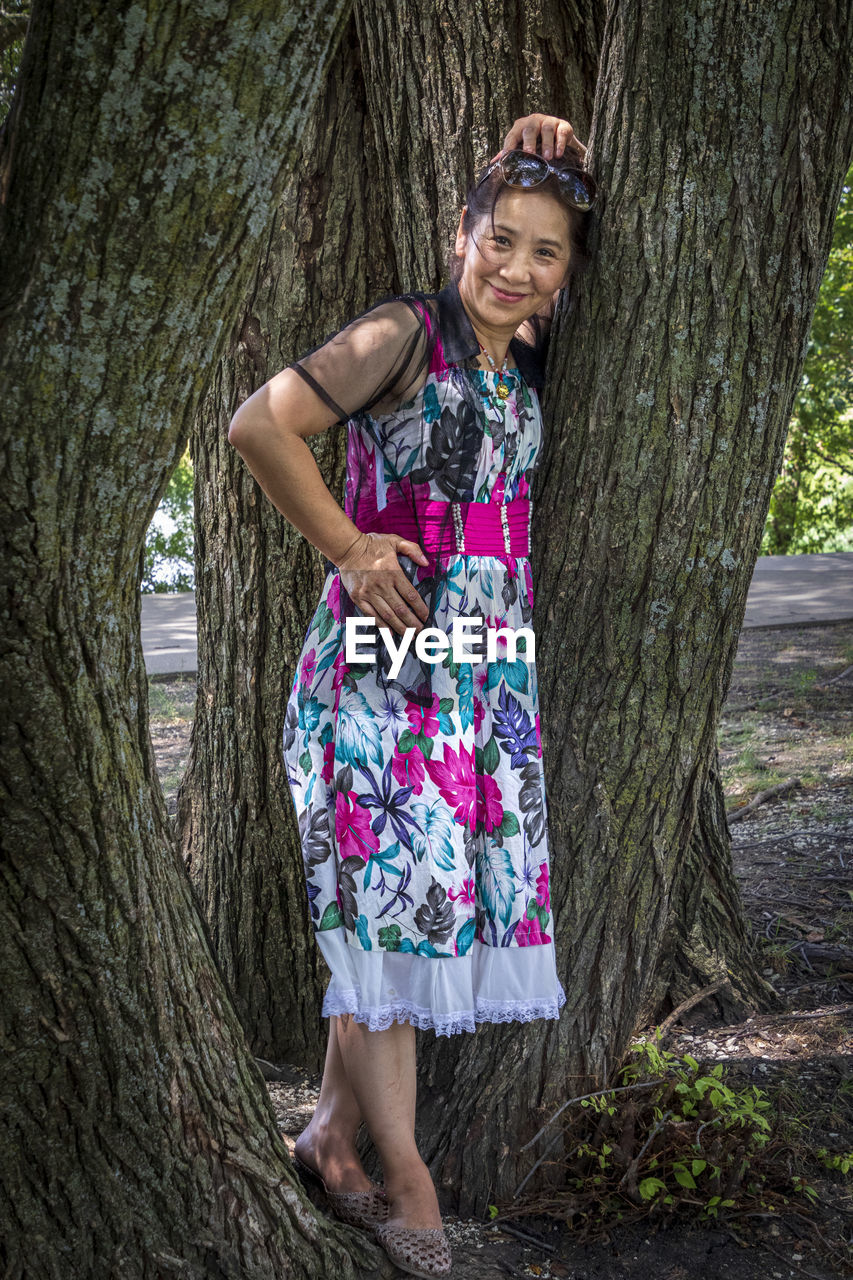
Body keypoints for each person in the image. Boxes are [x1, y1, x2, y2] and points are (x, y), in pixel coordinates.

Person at [228, 111, 597, 1279]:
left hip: (482, 671)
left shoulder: (523, 356)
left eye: (545, 251)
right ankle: (406, 1180)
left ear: (565, 275)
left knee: (416, 909)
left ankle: (333, 1136)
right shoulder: (404, 332)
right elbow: (260, 425)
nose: (516, 266)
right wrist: (348, 546)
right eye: (500, 237)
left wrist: (540, 139)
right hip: (387, 669)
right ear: (460, 234)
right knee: (394, 902)